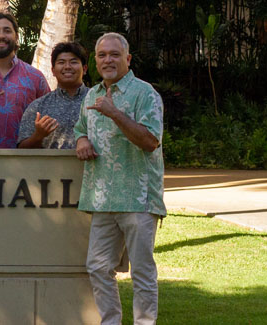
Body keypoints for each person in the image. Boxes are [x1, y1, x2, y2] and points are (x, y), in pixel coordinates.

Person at [73, 32, 165, 325]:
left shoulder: (144, 93)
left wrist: (115, 113)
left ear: (128, 59)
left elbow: (150, 141)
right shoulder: (92, 94)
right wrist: (82, 140)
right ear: (96, 61)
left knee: (141, 271)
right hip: (101, 198)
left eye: (114, 54)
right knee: (98, 267)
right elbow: (80, 128)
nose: (108, 60)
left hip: (138, 198)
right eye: (102, 55)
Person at [0, 11, 50, 148]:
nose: (1, 36)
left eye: (7, 31)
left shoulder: (35, 77)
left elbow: (49, 116)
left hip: (25, 160)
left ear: (16, 37)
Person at [17, 42, 89, 149]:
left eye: (73, 62)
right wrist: (38, 136)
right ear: (53, 71)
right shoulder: (38, 106)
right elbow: (22, 149)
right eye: (61, 62)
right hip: (49, 166)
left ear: (85, 69)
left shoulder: (98, 101)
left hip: (92, 165)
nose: (67, 67)